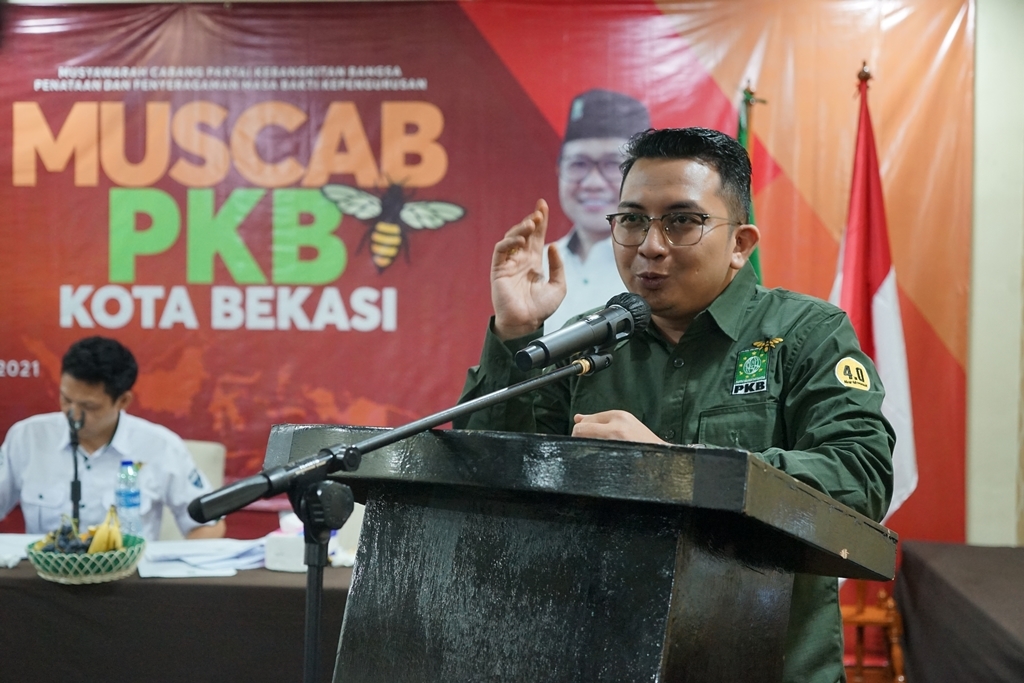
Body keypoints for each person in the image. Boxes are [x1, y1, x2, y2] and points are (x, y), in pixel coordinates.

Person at [456, 127, 894, 683]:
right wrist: (516, 331)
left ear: (740, 244)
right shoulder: (588, 344)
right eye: (632, 220)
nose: (650, 245)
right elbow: (487, 474)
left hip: (765, 664)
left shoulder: (805, 333)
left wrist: (675, 466)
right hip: (606, 659)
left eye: (681, 221)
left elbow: (860, 478)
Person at [0, 336, 226, 540]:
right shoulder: (27, 438)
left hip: (129, 572)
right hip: (44, 571)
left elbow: (210, 525)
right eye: (66, 400)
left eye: (89, 407)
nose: (73, 415)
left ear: (123, 401)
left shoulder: (161, 447)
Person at [543, 88, 650, 332]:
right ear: (559, 170)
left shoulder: (657, 265)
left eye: (612, 164)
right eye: (578, 164)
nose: (593, 183)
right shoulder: (536, 265)